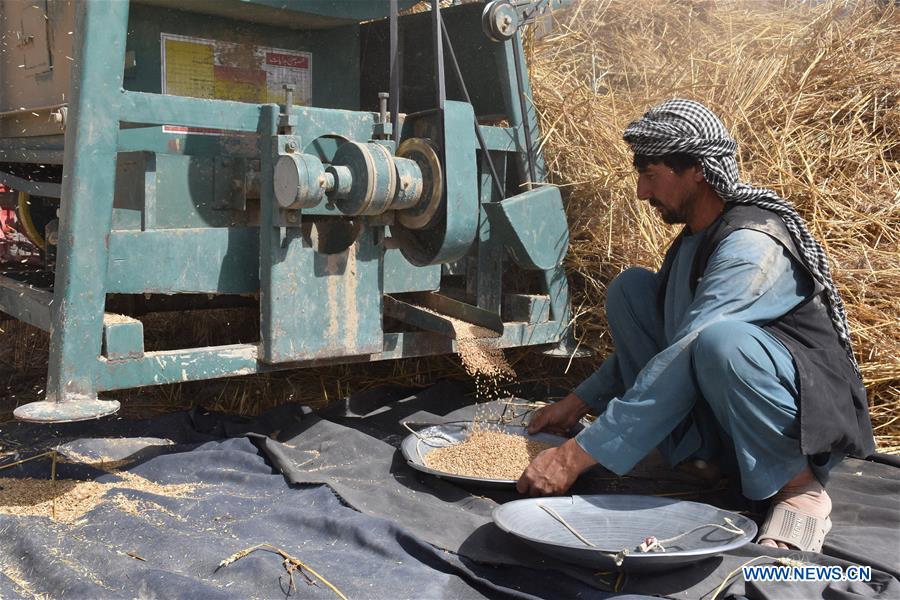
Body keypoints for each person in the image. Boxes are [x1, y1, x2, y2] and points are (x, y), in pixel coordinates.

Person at [517, 99, 875, 552]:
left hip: (796, 418)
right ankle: (697, 458)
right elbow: (667, 340)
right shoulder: (695, 239)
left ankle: (798, 487)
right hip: (724, 400)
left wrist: (572, 458)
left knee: (721, 342)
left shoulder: (751, 247)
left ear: (699, 171)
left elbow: (684, 353)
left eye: (651, 175)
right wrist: (575, 404)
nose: (642, 192)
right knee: (632, 290)